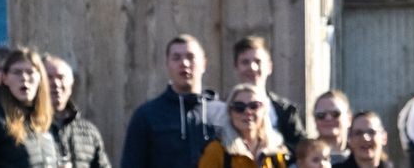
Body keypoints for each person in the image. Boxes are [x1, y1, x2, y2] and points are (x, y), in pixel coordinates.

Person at [121, 34, 224, 168]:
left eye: (190, 57)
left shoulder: (224, 113)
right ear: (167, 65)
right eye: (176, 58)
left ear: (204, 64)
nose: (184, 63)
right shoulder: (147, 115)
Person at [0, 47, 58, 167]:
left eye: (30, 72)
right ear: (5, 79)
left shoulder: (47, 124)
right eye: (17, 72)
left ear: (40, 78)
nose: (24, 78)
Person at [232, 36, 305, 153]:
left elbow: (302, 151)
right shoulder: (223, 108)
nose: (252, 67)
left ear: (269, 67)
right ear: (236, 67)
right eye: (245, 62)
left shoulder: (285, 111)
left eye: (258, 61)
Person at [43, 54, 112, 168]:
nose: (55, 83)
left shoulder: (89, 133)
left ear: (71, 85)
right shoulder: (27, 129)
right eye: (49, 77)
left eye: (61, 77)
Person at [196, 84, 288, 168]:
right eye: (239, 107)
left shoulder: (276, 152)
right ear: (230, 113)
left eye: (254, 106)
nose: (247, 112)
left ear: (264, 111)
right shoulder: (216, 151)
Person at [314, 90, 354, 163]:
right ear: (315, 121)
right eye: (321, 115)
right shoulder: (301, 158)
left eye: (335, 114)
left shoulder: (362, 157)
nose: (328, 118)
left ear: (349, 119)